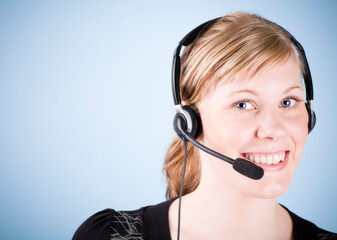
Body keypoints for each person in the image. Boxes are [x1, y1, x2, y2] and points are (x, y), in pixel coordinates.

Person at [72, 12, 337, 240]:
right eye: (243, 104)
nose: (274, 129)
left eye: (288, 101)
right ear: (189, 120)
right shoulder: (111, 235)